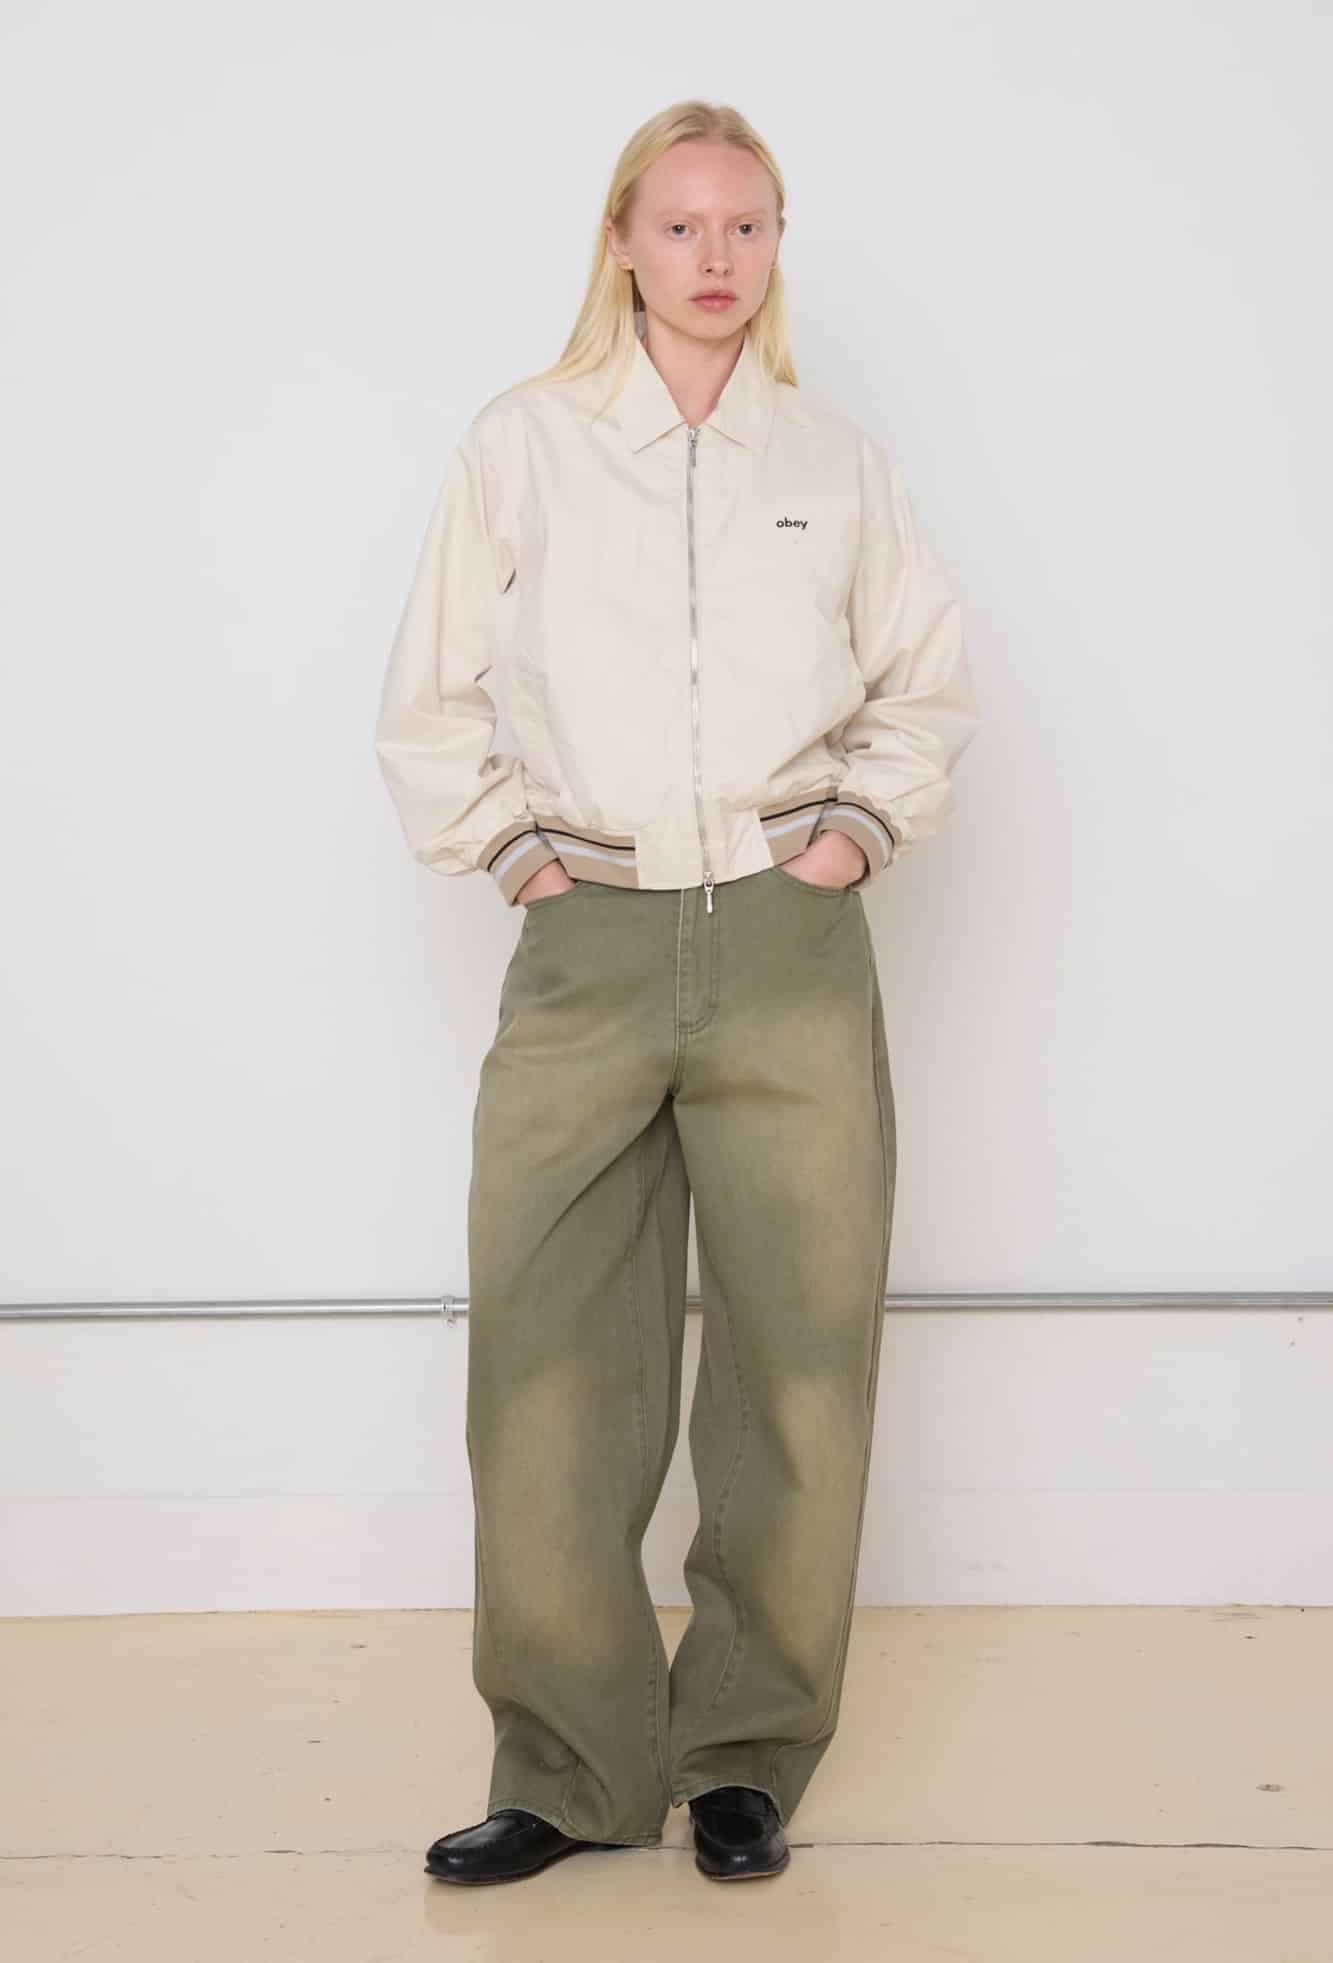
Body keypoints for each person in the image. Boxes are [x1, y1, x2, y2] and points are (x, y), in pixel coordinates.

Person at [374, 98, 980, 1887]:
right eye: (681, 226)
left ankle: (741, 1756)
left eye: (747, 225)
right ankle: (568, 1769)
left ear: (775, 244)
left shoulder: (836, 460)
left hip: (789, 942)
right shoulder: (527, 442)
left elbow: (925, 681)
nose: (716, 259)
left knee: (798, 1362)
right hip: (590, 939)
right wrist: (518, 858)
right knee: (547, 1360)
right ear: (621, 243)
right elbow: (428, 696)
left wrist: (850, 842)